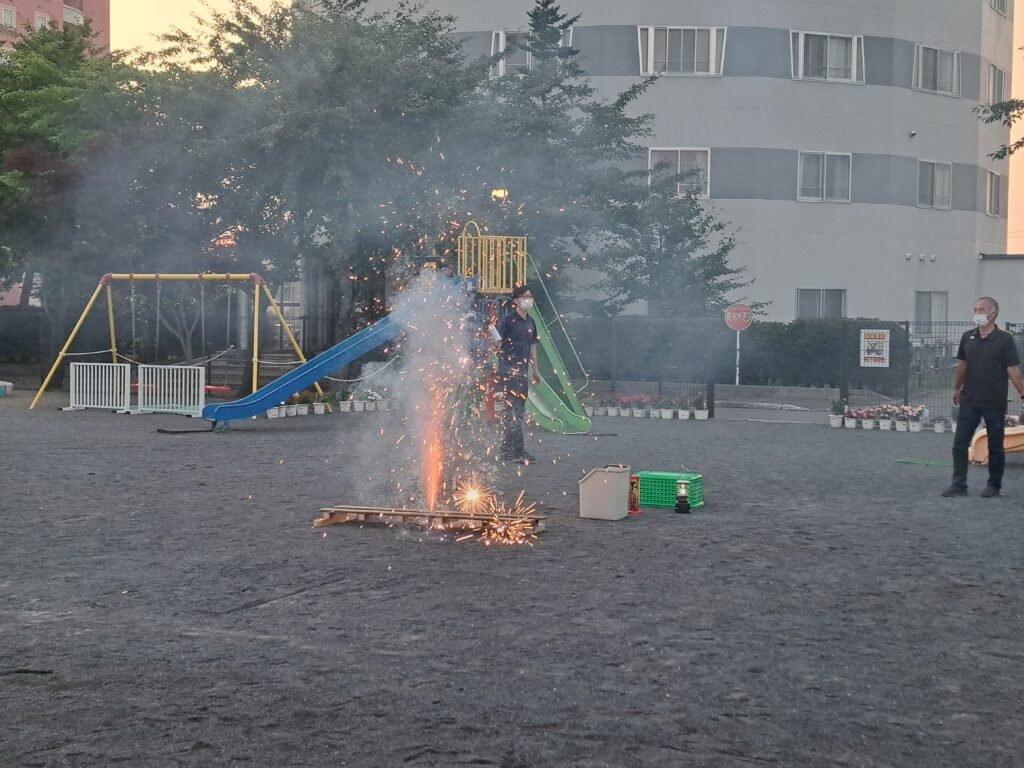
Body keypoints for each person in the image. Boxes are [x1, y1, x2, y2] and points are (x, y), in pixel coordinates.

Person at [942, 296, 1024, 498]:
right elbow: (963, 365)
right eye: (975, 309)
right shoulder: (967, 337)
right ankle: (958, 484)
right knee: (960, 443)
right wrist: (956, 388)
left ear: (993, 314)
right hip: (969, 398)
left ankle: (994, 485)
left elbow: (1013, 370)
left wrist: (1023, 393)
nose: (976, 313)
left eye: (981, 309)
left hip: (994, 401)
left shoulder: (1005, 339)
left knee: (995, 444)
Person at [495, 284, 541, 463]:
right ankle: (511, 451)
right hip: (508, 371)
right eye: (525, 296)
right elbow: (497, 343)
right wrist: (496, 345)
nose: (528, 300)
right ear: (516, 300)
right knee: (513, 412)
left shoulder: (531, 322)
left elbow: (532, 349)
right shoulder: (507, 321)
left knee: (517, 412)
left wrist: (535, 371)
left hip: (522, 373)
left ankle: (512, 450)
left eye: (530, 296)